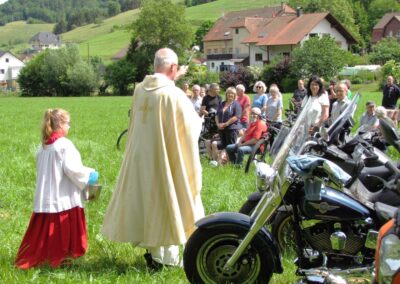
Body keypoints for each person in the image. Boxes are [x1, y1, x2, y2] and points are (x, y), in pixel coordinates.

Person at [101, 48, 204, 269]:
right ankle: (165, 261)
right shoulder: (173, 94)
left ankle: (151, 252)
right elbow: (191, 126)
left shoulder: (140, 90)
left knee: (146, 203)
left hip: (140, 159)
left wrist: (175, 78)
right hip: (163, 161)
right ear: (174, 68)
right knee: (167, 204)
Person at [15, 109, 98, 269]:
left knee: (42, 232)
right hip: (62, 196)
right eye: (68, 123)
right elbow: (73, 169)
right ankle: (63, 254)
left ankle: (43, 255)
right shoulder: (64, 145)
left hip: (46, 195)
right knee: (61, 229)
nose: (69, 127)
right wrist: (90, 174)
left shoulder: (43, 146)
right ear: (59, 124)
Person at [214, 87, 242, 152]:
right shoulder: (222, 103)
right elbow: (217, 115)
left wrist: (226, 123)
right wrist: (218, 124)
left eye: (232, 93)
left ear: (235, 95)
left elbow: (237, 116)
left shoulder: (236, 104)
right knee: (223, 145)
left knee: (230, 146)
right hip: (221, 128)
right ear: (226, 94)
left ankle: (233, 160)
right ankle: (224, 160)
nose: (230, 95)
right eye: (228, 93)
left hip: (231, 128)